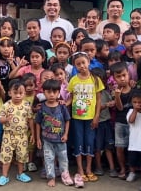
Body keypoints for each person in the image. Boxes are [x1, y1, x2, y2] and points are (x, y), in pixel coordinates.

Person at [67, 52, 105, 187]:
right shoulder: (73, 80)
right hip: (76, 117)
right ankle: (80, 169)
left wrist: (96, 116)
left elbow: (99, 99)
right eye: (78, 64)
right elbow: (70, 98)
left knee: (90, 142)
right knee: (78, 142)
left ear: (88, 62)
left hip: (90, 118)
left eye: (83, 63)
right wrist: (62, 104)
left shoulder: (95, 79)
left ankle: (88, 168)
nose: (81, 66)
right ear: (75, 66)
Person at [0, 79, 34, 186]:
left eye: (21, 93)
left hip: (22, 135)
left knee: (22, 156)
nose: (18, 95)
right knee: (6, 156)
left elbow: (30, 120)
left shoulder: (27, 105)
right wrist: (6, 119)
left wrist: (33, 134)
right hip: (8, 135)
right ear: (9, 93)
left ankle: (20, 174)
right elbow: (0, 119)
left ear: (24, 93)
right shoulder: (6, 105)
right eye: (15, 93)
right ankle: (4, 176)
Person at [35, 78, 73, 187]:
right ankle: (51, 177)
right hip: (47, 140)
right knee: (48, 158)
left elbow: (67, 120)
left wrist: (66, 134)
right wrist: (38, 138)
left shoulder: (62, 107)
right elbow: (37, 123)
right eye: (48, 92)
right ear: (44, 92)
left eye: (55, 92)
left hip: (61, 139)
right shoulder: (42, 108)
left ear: (58, 92)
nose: (52, 95)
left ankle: (65, 175)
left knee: (63, 159)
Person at [125, 89, 141, 184]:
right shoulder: (130, 112)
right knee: (132, 159)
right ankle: (132, 172)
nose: (137, 104)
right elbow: (131, 120)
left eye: (140, 102)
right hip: (133, 143)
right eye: (135, 102)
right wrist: (135, 110)